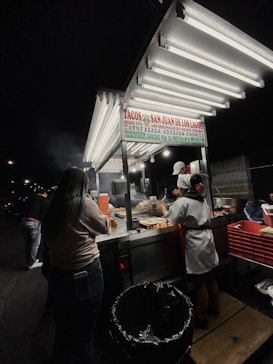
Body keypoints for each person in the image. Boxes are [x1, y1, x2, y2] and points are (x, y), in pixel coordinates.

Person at [42, 167, 109, 364]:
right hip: (86, 274)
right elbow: (104, 227)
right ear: (83, 185)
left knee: (63, 331)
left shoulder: (52, 206)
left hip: (58, 276)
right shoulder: (85, 204)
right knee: (84, 334)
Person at [158, 174, 219, 330]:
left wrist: (163, 209)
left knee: (199, 282)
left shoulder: (183, 202)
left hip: (195, 241)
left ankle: (201, 318)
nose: (177, 190)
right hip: (207, 238)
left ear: (182, 188)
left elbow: (172, 219)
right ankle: (215, 309)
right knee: (210, 276)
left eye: (178, 188)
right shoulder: (201, 199)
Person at [21, 188, 49, 269]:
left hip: (24, 222)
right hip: (34, 223)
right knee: (35, 244)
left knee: (28, 243)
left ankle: (29, 260)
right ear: (44, 193)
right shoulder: (44, 201)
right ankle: (31, 263)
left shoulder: (29, 199)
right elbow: (46, 213)